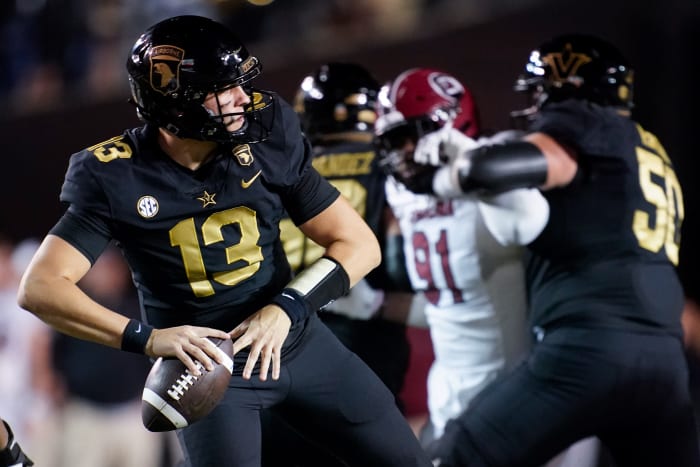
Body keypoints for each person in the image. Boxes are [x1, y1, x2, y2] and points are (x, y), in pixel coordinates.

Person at [17, 15, 431, 467]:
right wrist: (148, 338)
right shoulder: (118, 172)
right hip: (208, 369)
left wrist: (287, 307)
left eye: (240, 83)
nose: (242, 98)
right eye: (223, 89)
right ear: (178, 103)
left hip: (296, 341)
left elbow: (358, 244)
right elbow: (40, 287)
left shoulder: (267, 131)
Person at [399, 34, 699, 467]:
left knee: (454, 458)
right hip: (664, 362)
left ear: (570, 89)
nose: (536, 103)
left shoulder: (586, 126)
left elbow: (504, 166)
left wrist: (445, 176)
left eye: (541, 90)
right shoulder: (648, 148)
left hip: (588, 350)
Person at [374, 67, 548, 446]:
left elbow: (526, 220)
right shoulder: (403, 194)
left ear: (450, 125)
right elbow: (448, 304)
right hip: (450, 392)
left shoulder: (499, 164)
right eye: (393, 140)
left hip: (521, 394)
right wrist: (373, 304)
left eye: (410, 136)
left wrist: (471, 163)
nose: (403, 152)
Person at [260, 62, 413, 467]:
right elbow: (405, 275)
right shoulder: (390, 168)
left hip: (277, 350)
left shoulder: (281, 173)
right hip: (365, 355)